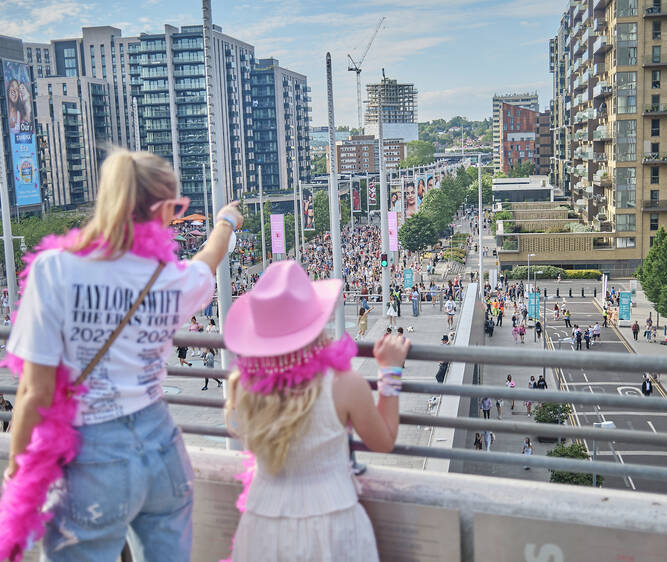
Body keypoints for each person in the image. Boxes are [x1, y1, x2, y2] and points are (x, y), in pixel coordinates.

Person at [3, 148, 242, 559]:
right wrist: (225, 221)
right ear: (162, 209)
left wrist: (15, 473)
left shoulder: (55, 270)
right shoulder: (168, 279)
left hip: (93, 461)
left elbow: (34, 394)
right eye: (175, 208)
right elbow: (208, 258)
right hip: (163, 449)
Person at [223, 260, 410, 561]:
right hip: (332, 524)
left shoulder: (243, 388)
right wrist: (390, 371)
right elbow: (383, 441)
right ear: (315, 324)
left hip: (262, 521)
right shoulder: (344, 384)